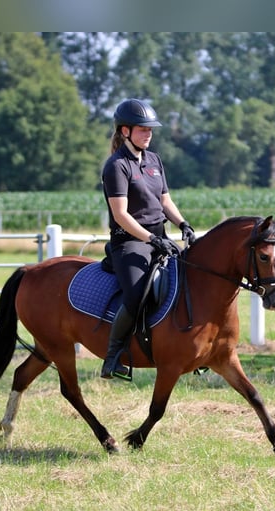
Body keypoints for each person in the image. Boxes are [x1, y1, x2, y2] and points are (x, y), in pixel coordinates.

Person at [100, 98, 196, 379]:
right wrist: (150, 240)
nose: (149, 134)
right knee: (137, 292)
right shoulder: (116, 166)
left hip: (160, 237)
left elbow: (165, 199)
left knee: (190, 277)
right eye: (143, 129)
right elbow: (120, 214)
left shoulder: (153, 160)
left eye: (151, 130)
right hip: (129, 242)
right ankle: (113, 355)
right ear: (125, 131)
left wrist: (182, 223)